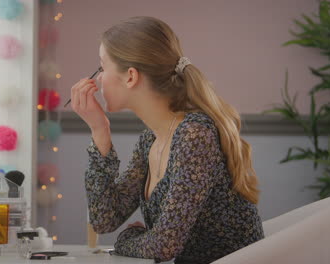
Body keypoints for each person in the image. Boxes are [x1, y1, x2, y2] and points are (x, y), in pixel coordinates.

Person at [69, 16, 264, 264]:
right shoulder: (151, 139)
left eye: (102, 68)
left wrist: (126, 240)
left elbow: (163, 246)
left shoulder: (195, 135)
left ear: (130, 76)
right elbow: (104, 218)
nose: (98, 79)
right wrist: (99, 131)